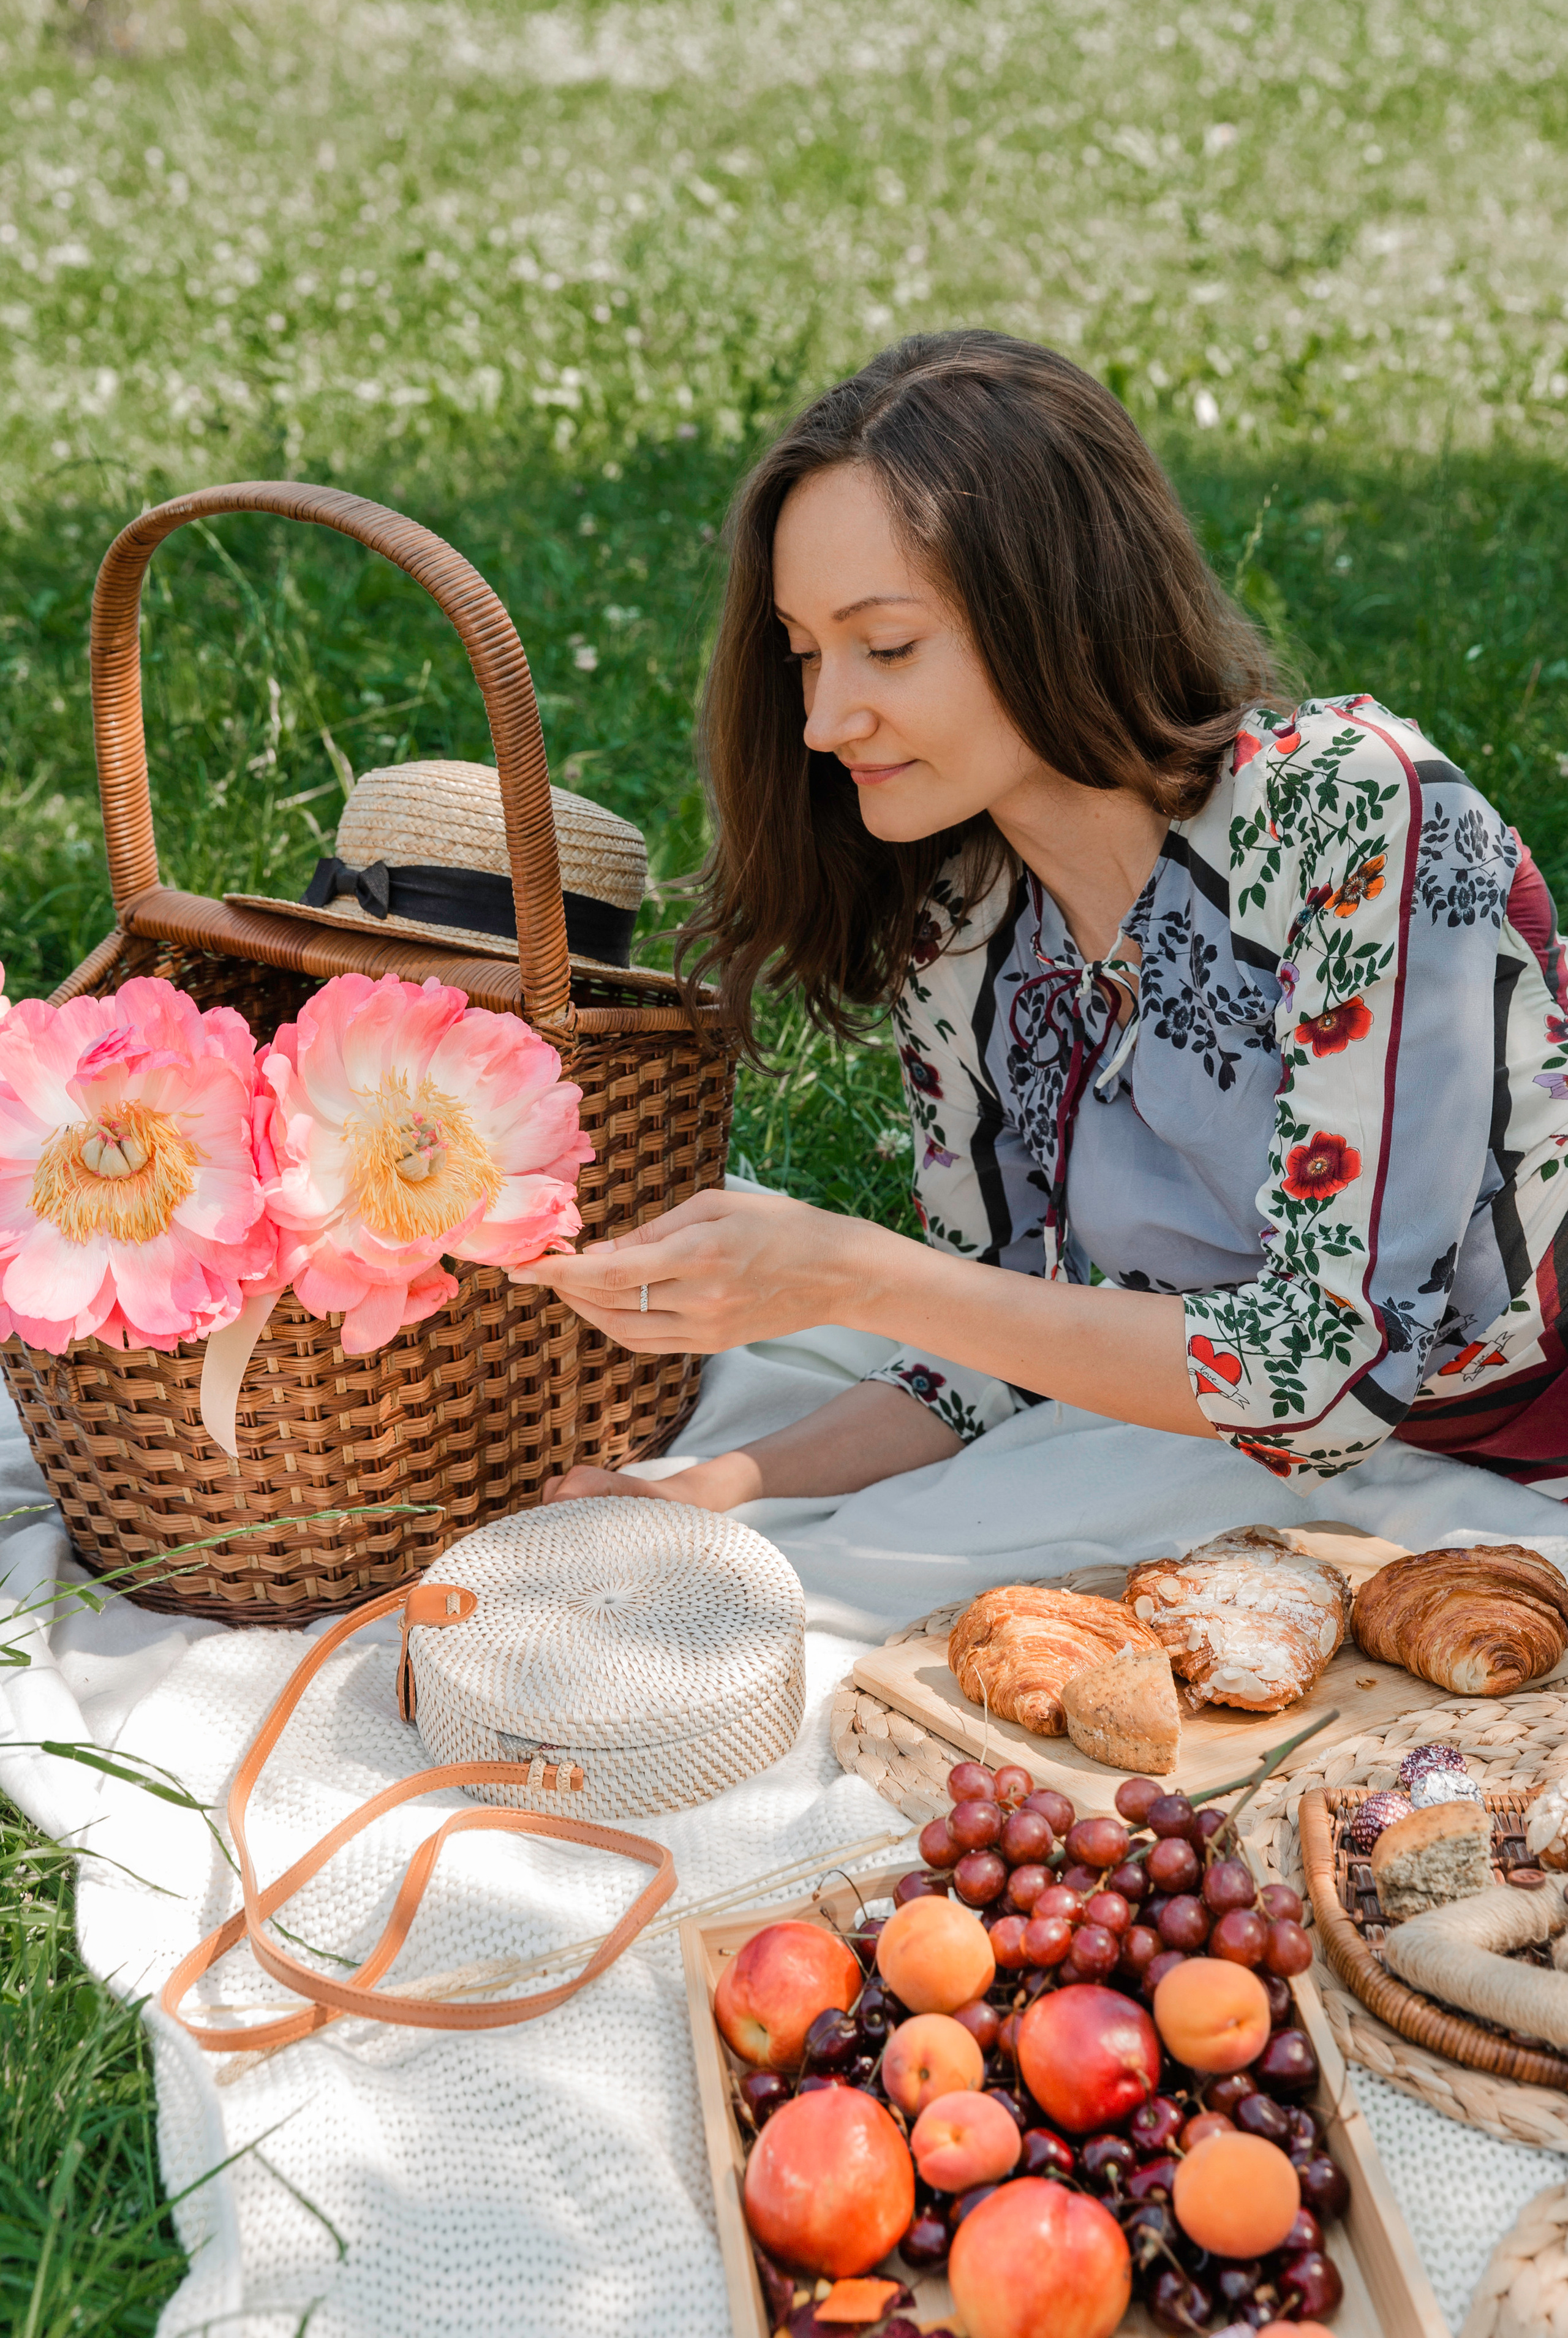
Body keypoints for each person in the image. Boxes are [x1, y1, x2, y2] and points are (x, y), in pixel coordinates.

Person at [515, 331, 1568, 1510]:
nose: (823, 722)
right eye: (807, 656)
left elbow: (1330, 1368)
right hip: (1369, 1480)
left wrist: (854, 1277)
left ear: (1057, 608)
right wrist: (701, 1490)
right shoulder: (960, 932)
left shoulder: (1353, 812)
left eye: (889, 647)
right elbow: (990, 1340)